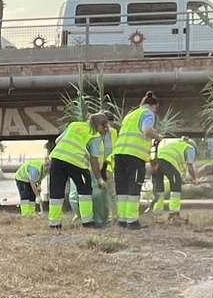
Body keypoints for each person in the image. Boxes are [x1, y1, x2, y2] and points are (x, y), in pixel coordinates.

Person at [46, 112, 113, 229]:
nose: (105, 130)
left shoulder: (74, 125)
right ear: (100, 125)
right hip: (75, 162)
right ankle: (87, 221)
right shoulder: (95, 136)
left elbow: (57, 141)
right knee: (85, 190)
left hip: (57, 159)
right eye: (105, 127)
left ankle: (54, 223)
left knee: (56, 192)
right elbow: (94, 159)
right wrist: (99, 179)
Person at [111, 92, 162, 229]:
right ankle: (132, 221)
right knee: (134, 186)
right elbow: (146, 130)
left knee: (122, 187)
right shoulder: (148, 113)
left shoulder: (130, 115)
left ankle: (122, 220)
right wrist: (158, 137)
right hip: (134, 155)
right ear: (154, 106)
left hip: (119, 153)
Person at [151, 136, 198, 220]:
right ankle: (174, 213)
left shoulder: (174, 145)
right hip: (169, 163)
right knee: (176, 188)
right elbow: (190, 167)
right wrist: (195, 179)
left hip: (156, 162)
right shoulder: (190, 148)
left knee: (158, 188)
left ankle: (157, 213)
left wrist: (180, 179)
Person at [14, 141, 50, 217]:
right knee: (25, 196)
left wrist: (39, 186)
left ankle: (32, 213)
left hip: (30, 179)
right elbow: (32, 184)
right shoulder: (35, 170)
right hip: (21, 178)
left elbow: (40, 177)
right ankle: (26, 214)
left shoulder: (46, 171)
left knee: (32, 195)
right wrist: (38, 196)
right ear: (45, 167)